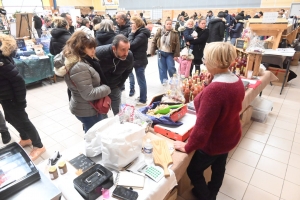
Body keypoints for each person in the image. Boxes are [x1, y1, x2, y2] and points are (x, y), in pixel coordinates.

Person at [174, 42, 244, 200]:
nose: (204, 61)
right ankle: (213, 192)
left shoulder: (215, 90)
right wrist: (207, 84)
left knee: (193, 170)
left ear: (216, 62)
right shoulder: (236, 80)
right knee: (219, 167)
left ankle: (206, 196)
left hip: (214, 141)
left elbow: (202, 128)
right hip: (230, 135)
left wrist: (187, 147)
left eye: (206, 59)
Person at [54, 31, 111, 133]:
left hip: (85, 106)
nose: (94, 51)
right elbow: (88, 94)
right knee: (93, 137)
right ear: (80, 48)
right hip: (87, 109)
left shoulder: (82, 61)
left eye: (94, 47)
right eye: (90, 48)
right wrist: (107, 88)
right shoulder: (79, 67)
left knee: (91, 132)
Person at [0, 34, 46, 160]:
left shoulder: (2, 61)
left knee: (23, 121)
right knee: (11, 119)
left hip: (12, 98)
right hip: (5, 97)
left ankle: (39, 145)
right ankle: (25, 138)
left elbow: (18, 81)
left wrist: (20, 101)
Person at [95, 35, 134, 115]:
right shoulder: (99, 53)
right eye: (123, 50)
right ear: (114, 48)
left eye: (128, 49)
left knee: (119, 113)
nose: (126, 53)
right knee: (100, 113)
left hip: (115, 86)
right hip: (99, 88)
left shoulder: (129, 56)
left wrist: (120, 84)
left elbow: (128, 71)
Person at [127, 16, 150, 105]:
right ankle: (142, 96)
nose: (130, 25)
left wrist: (131, 34)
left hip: (140, 60)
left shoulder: (141, 34)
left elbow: (131, 44)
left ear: (137, 24)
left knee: (141, 80)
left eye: (132, 23)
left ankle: (143, 100)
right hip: (137, 59)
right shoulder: (139, 33)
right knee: (140, 79)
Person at [150, 19, 180, 85]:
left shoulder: (174, 33)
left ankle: (174, 79)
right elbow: (154, 40)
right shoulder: (160, 31)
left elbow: (177, 44)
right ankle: (164, 81)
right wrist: (152, 51)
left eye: (170, 24)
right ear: (165, 24)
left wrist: (176, 55)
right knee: (162, 68)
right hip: (161, 52)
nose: (169, 25)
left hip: (170, 53)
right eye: (167, 24)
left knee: (171, 67)